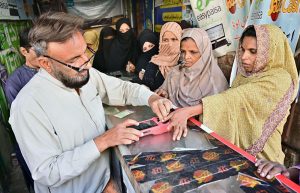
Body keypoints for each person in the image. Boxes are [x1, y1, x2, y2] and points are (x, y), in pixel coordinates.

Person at [9, 12, 172, 193]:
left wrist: (151, 97)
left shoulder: (86, 74)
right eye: (73, 60)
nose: (86, 64)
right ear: (45, 63)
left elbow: (123, 89)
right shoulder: (27, 107)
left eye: (84, 52)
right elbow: (47, 172)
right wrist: (103, 141)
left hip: (107, 182)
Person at [166, 24, 298, 163]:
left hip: (266, 161)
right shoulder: (245, 75)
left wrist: (189, 111)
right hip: (237, 155)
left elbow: (237, 98)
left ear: (270, 52)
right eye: (242, 49)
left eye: (253, 51)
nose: (244, 57)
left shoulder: (281, 78)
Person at [157, 28, 228, 139]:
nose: (186, 57)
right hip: (170, 131)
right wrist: (162, 95)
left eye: (193, 52)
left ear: (205, 52)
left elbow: (219, 117)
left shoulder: (215, 81)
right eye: (183, 52)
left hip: (202, 138)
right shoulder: (175, 73)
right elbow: (162, 93)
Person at [4, 27, 39, 192]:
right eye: (37, 49)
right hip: (34, 146)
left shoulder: (54, 70)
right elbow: (21, 123)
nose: (44, 53)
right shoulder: (14, 83)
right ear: (23, 51)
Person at [142, 22, 182, 91]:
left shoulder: (186, 62)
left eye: (174, 39)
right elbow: (146, 91)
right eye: (165, 40)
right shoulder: (154, 64)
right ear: (161, 41)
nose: (170, 44)